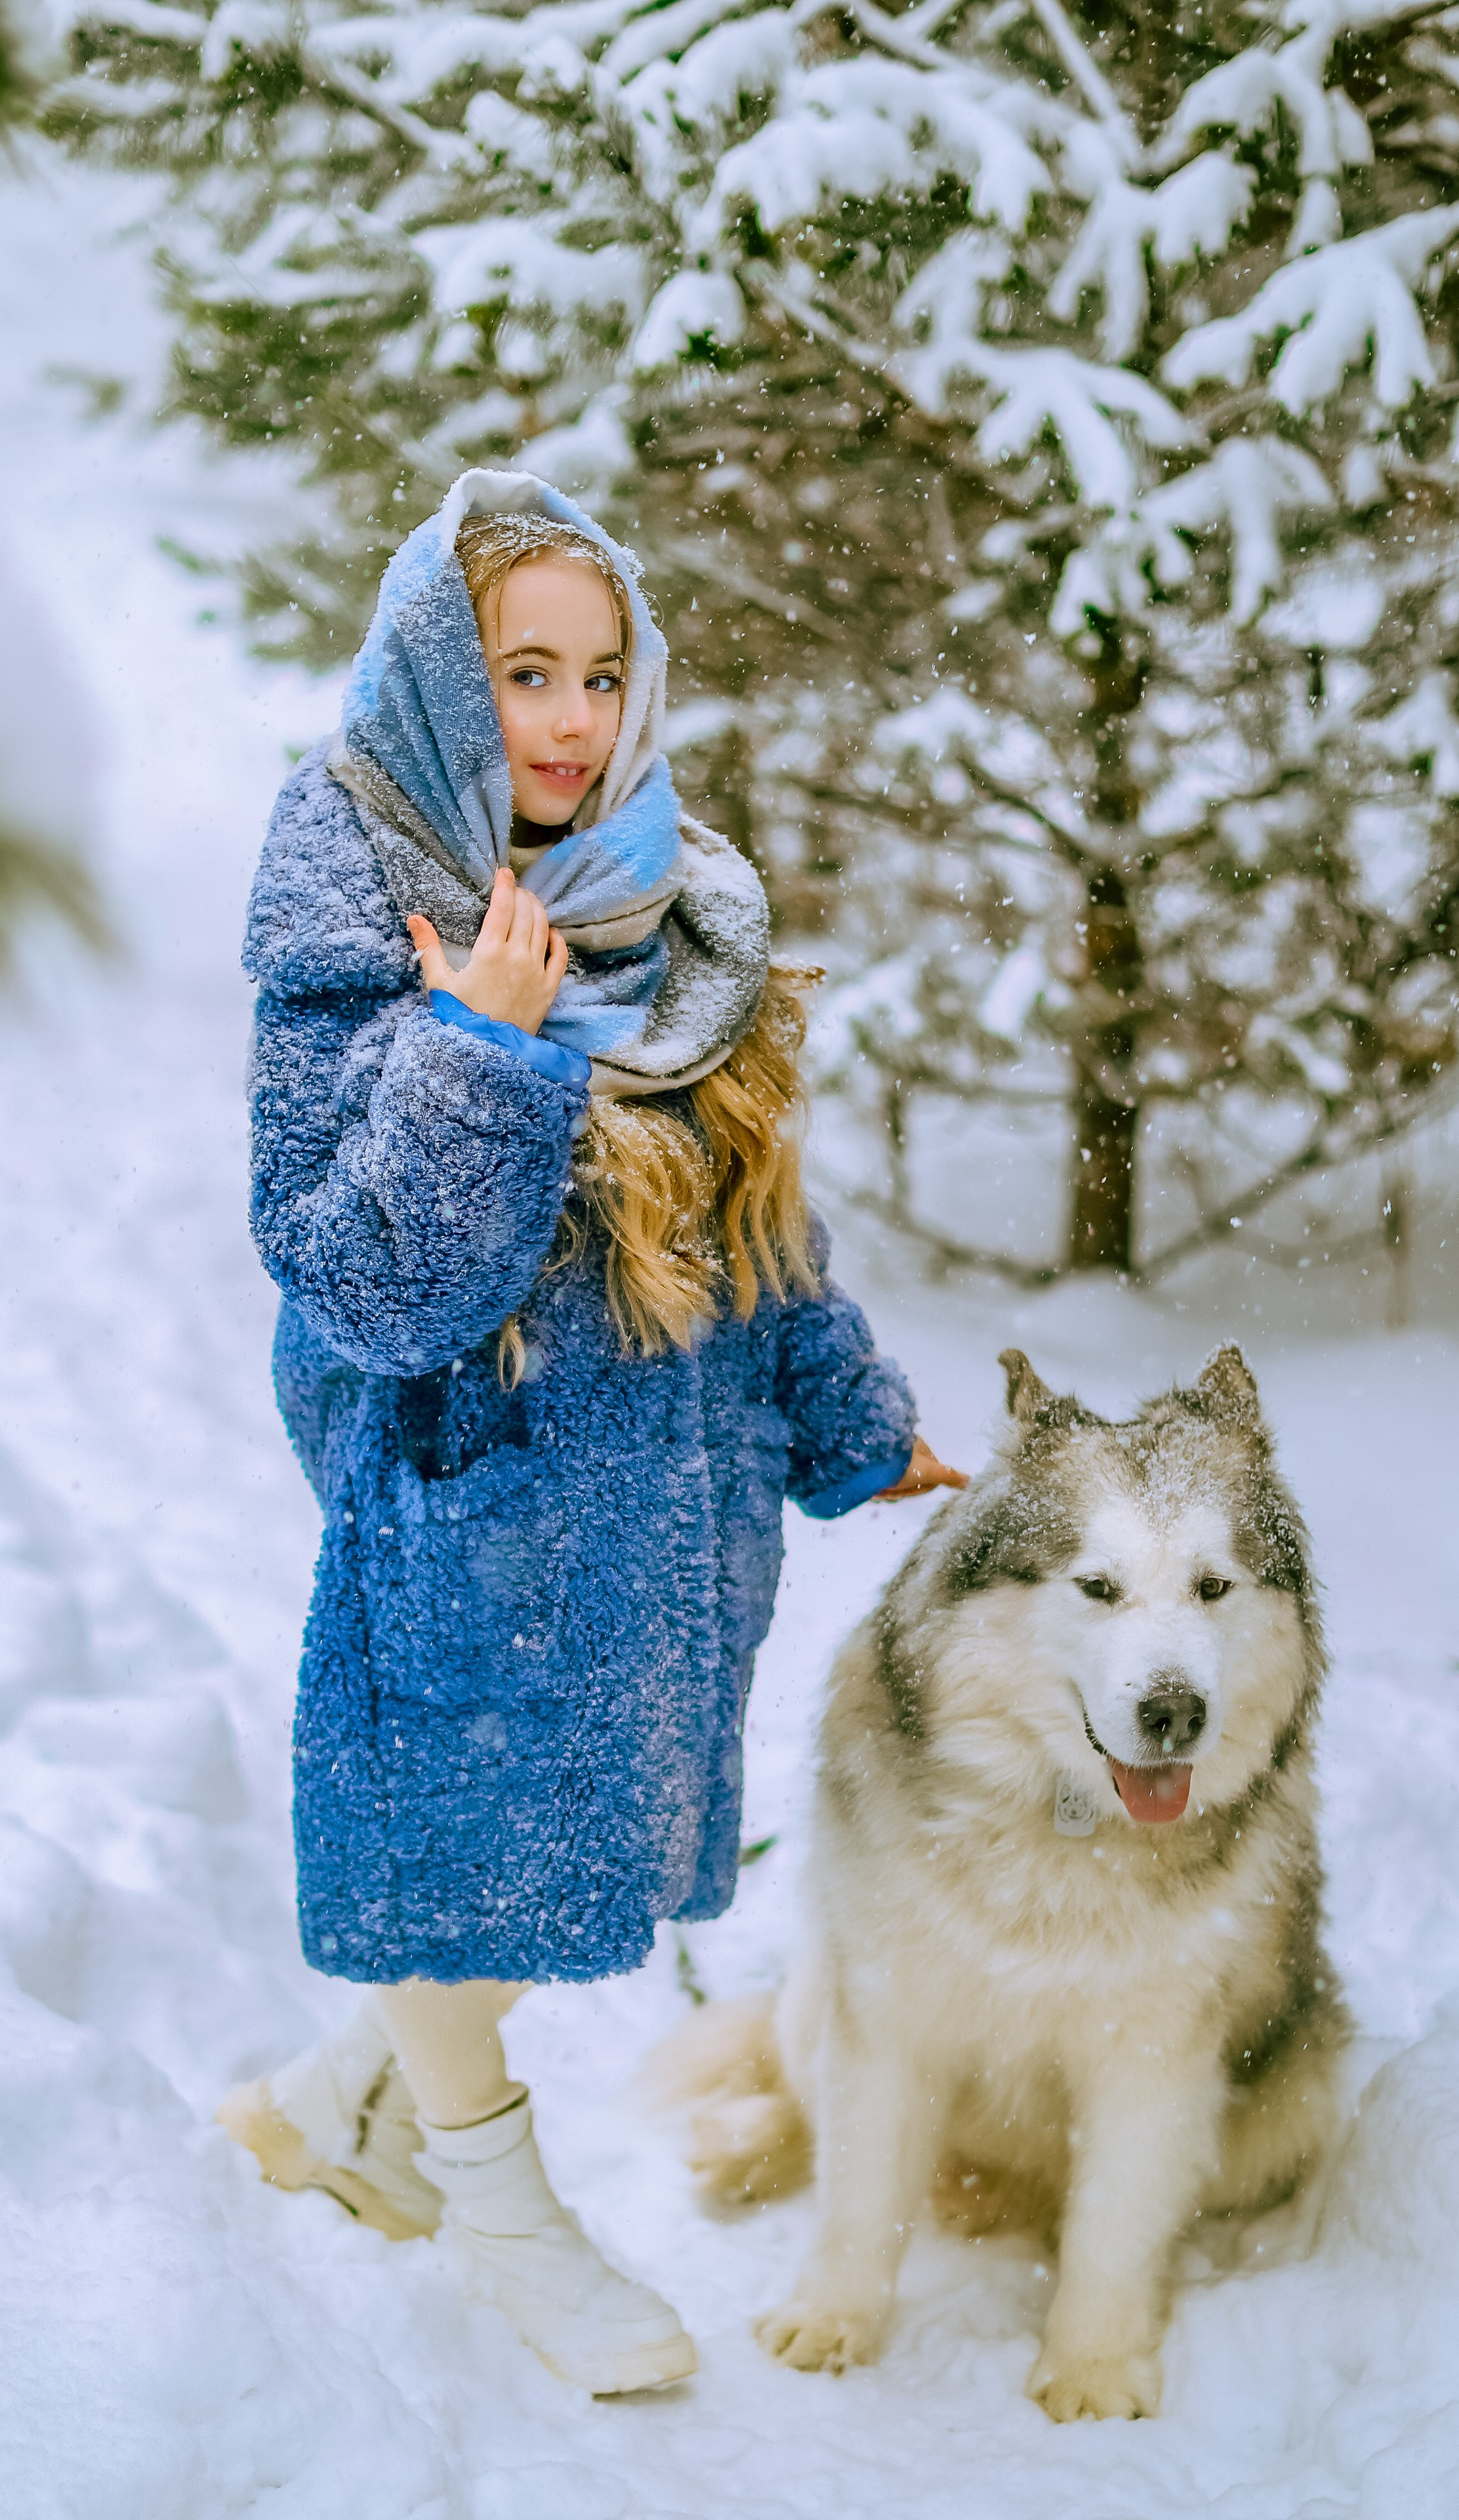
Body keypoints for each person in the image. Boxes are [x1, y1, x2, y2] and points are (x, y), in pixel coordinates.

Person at [220, 470, 966, 2395]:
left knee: (568, 1862)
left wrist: (849, 1419)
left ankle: (327, 2108)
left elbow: (758, 1226)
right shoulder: (355, 925)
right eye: (520, 674)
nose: (564, 720)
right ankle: (495, 2200)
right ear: (441, 694)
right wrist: (477, 1049)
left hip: (668, 1512)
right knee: (475, 1865)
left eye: (599, 674)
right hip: (474, 1507)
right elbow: (365, 1286)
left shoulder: (675, 903)